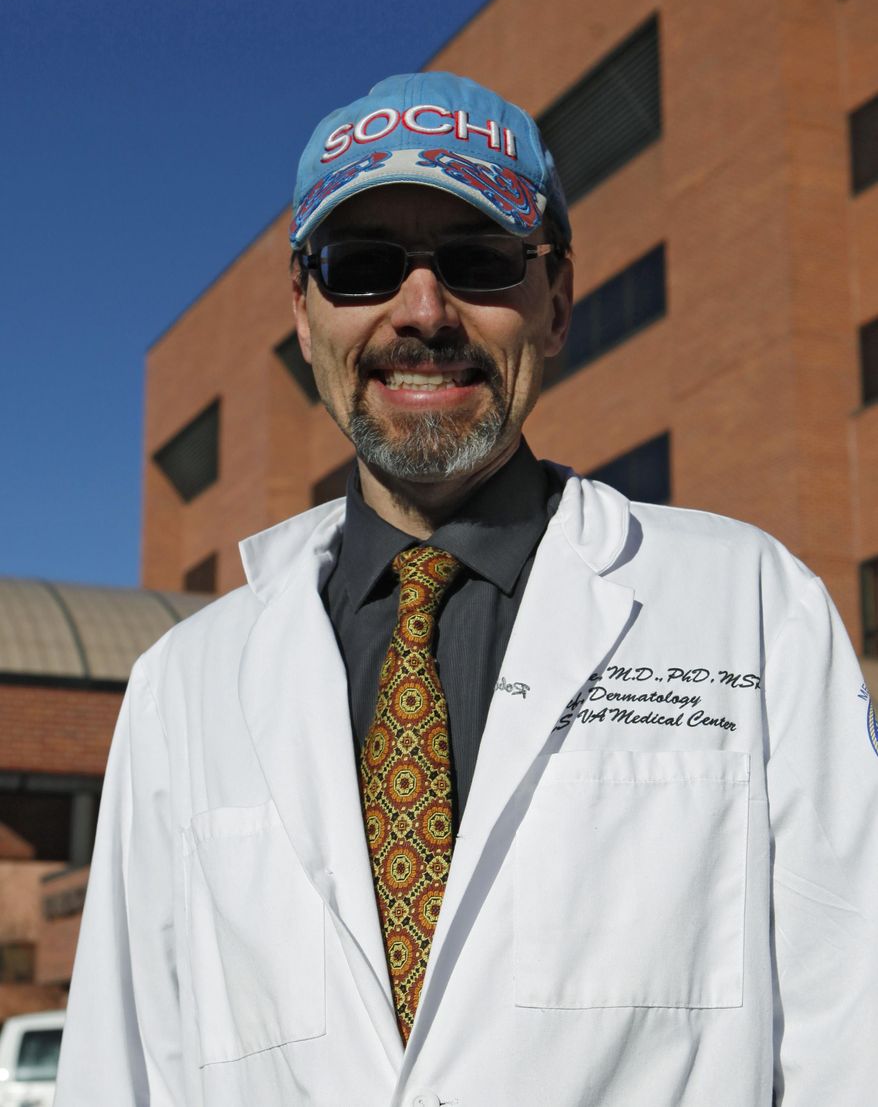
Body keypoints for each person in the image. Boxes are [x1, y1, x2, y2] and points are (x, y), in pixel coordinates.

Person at [56, 72, 877, 1107]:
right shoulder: (181, 690)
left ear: (559, 299)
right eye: (361, 268)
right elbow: (118, 1075)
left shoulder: (754, 611)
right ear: (303, 317)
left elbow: (854, 1039)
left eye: (478, 261)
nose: (421, 310)